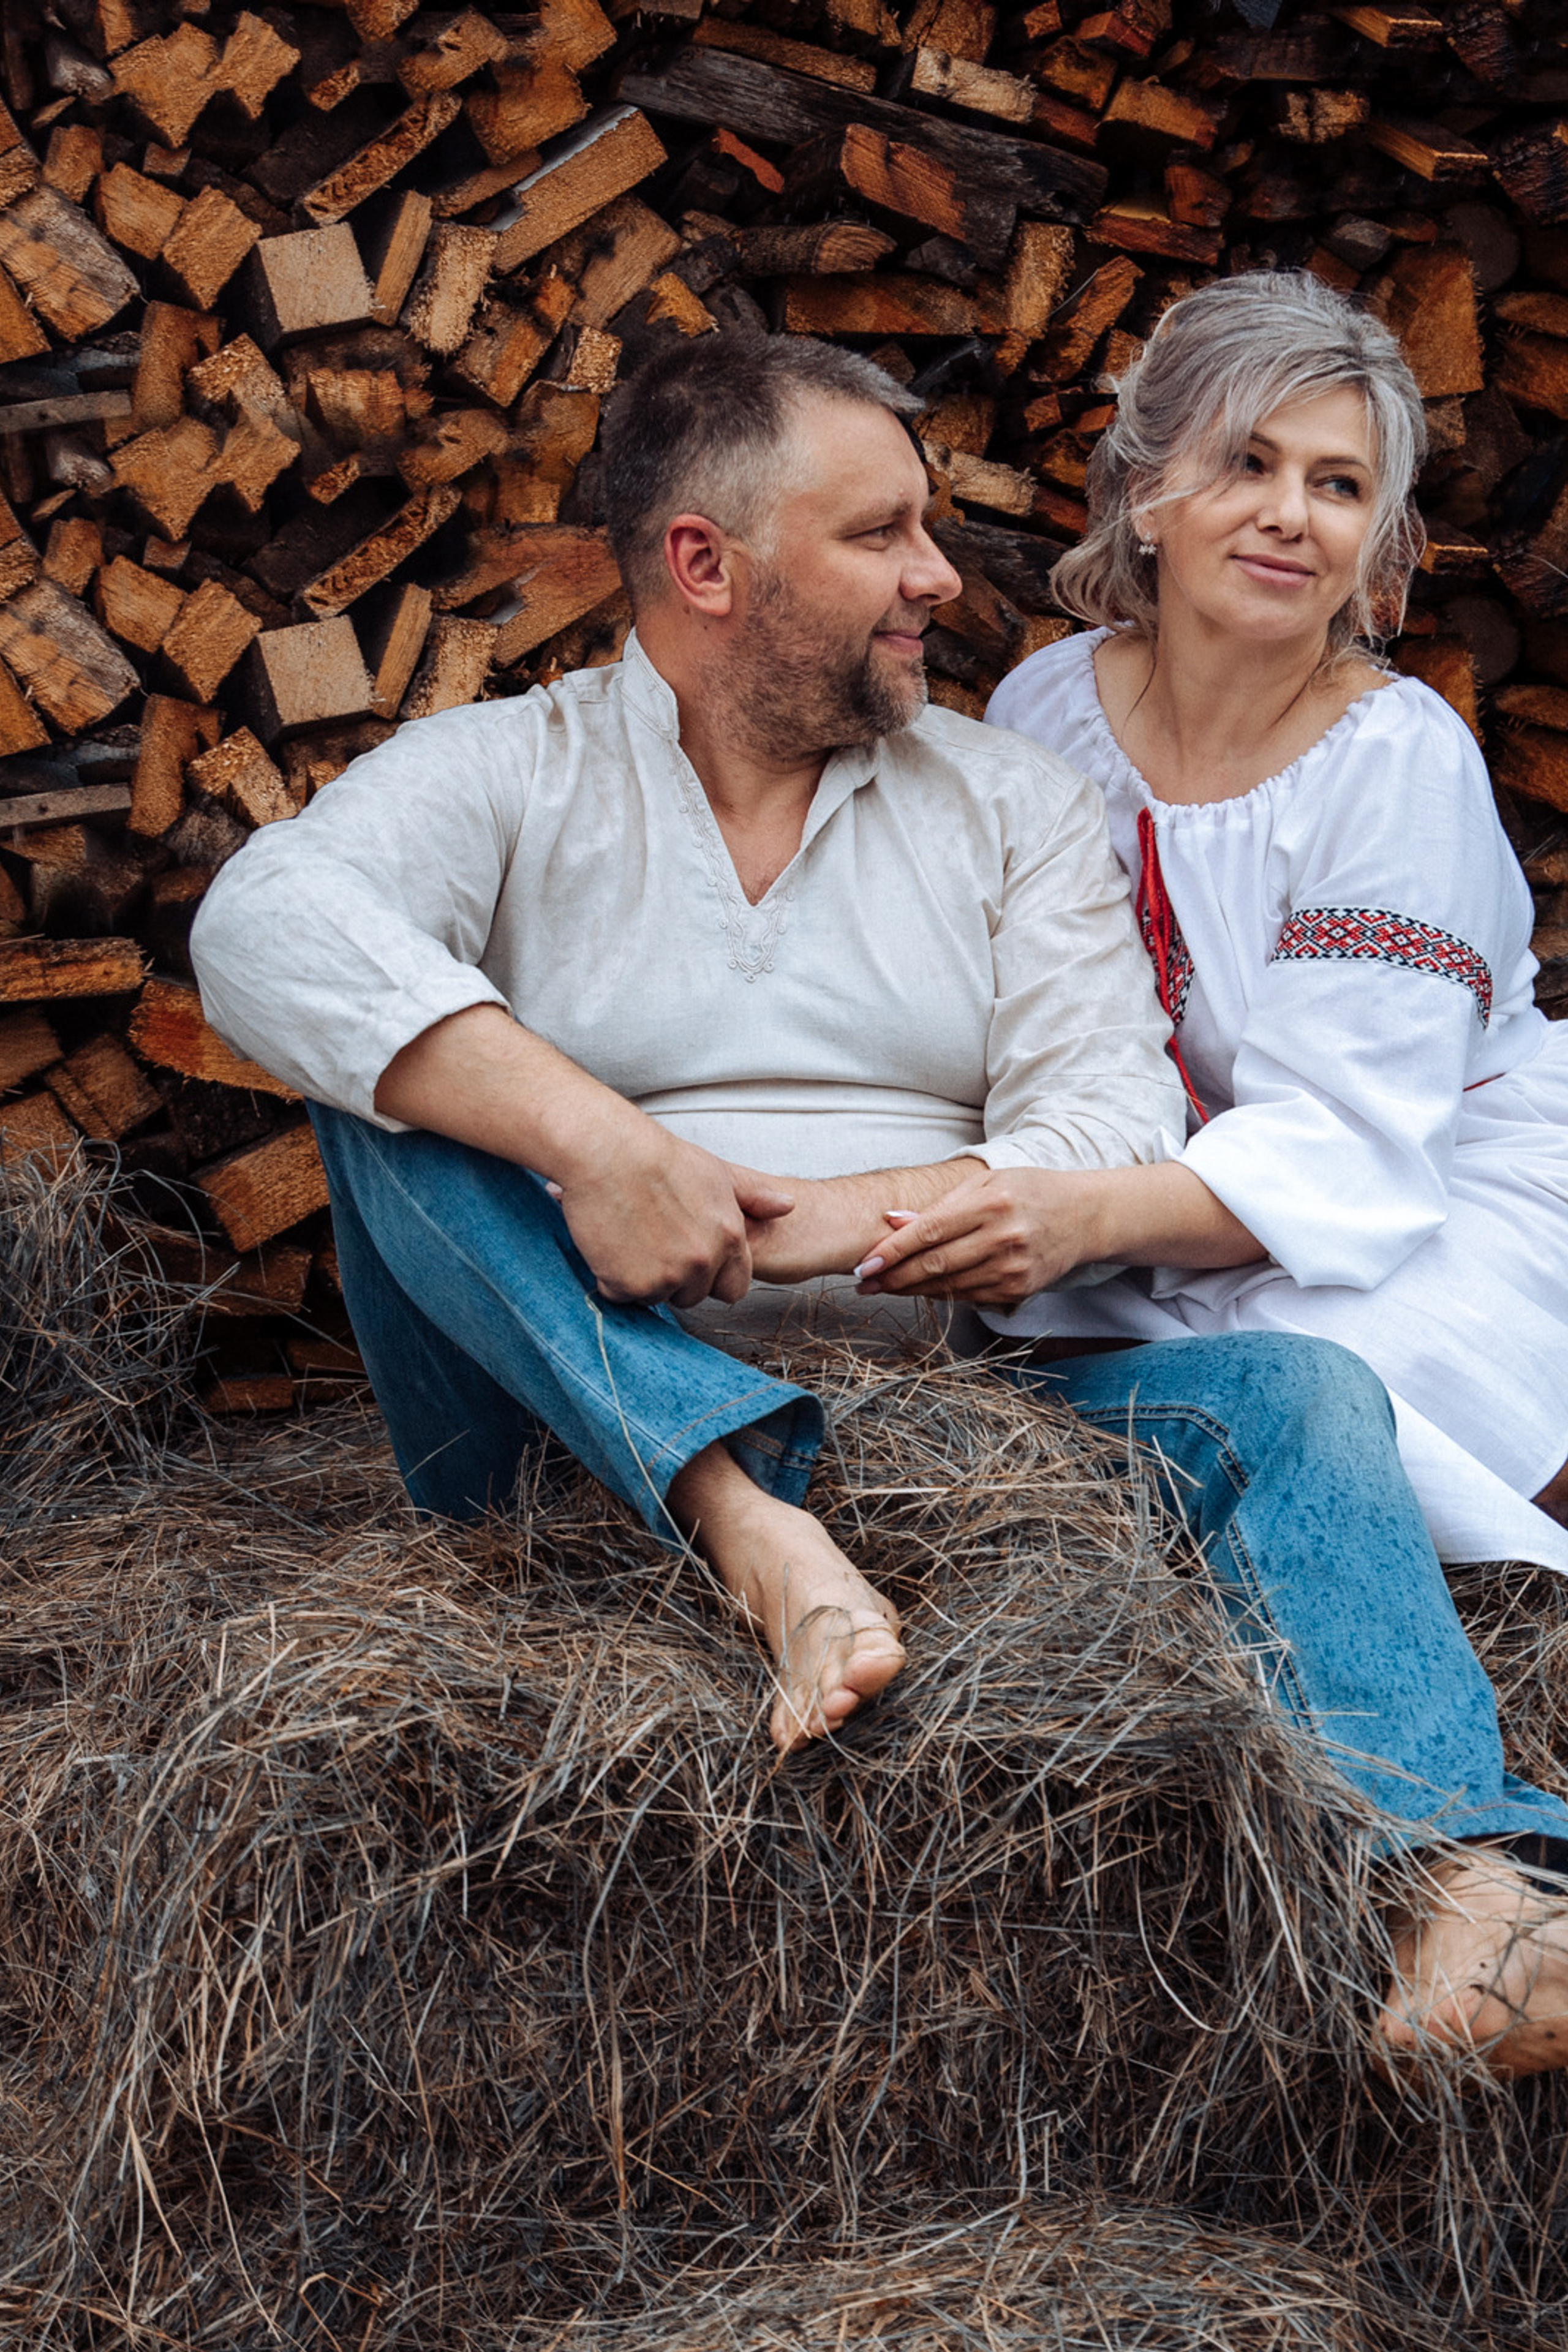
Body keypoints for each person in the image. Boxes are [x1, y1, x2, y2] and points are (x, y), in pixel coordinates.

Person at [190, 330, 1568, 2079]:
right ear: (708, 564)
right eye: (883, 537)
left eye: (929, 530)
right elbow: (260, 925)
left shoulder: (1012, 799)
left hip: (956, 1402)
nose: (939, 579)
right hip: (568, 1408)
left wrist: (793, 1218)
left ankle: (1465, 1873)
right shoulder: (513, 774)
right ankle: (744, 1516)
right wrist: (604, 1151)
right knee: (387, 1080)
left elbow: (1101, 1109)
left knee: (1304, 1395)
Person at [866, 270, 1568, 1591]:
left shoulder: (1391, 761)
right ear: (1148, 493)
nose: (1288, 515)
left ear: (1372, 541)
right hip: (1152, 1190)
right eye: (1245, 462)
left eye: (1336, 484)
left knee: (1329, 1387)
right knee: (1064, 1382)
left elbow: (1348, 1144)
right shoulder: (1045, 709)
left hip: (1425, 1171)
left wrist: (1076, 1220)